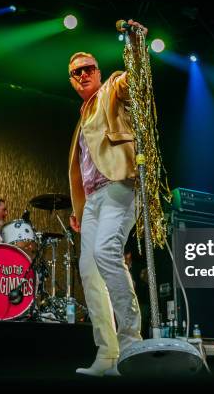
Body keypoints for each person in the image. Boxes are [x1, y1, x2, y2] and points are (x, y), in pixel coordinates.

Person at [67, 19, 148, 377]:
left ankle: (131, 344)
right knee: (88, 270)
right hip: (93, 201)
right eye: (75, 72)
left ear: (98, 72)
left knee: (105, 253)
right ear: (71, 80)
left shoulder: (113, 87)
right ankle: (107, 355)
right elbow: (82, 168)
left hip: (119, 185)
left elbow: (138, 81)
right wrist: (79, 210)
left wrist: (134, 46)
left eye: (87, 69)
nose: (82, 74)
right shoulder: (81, 114)